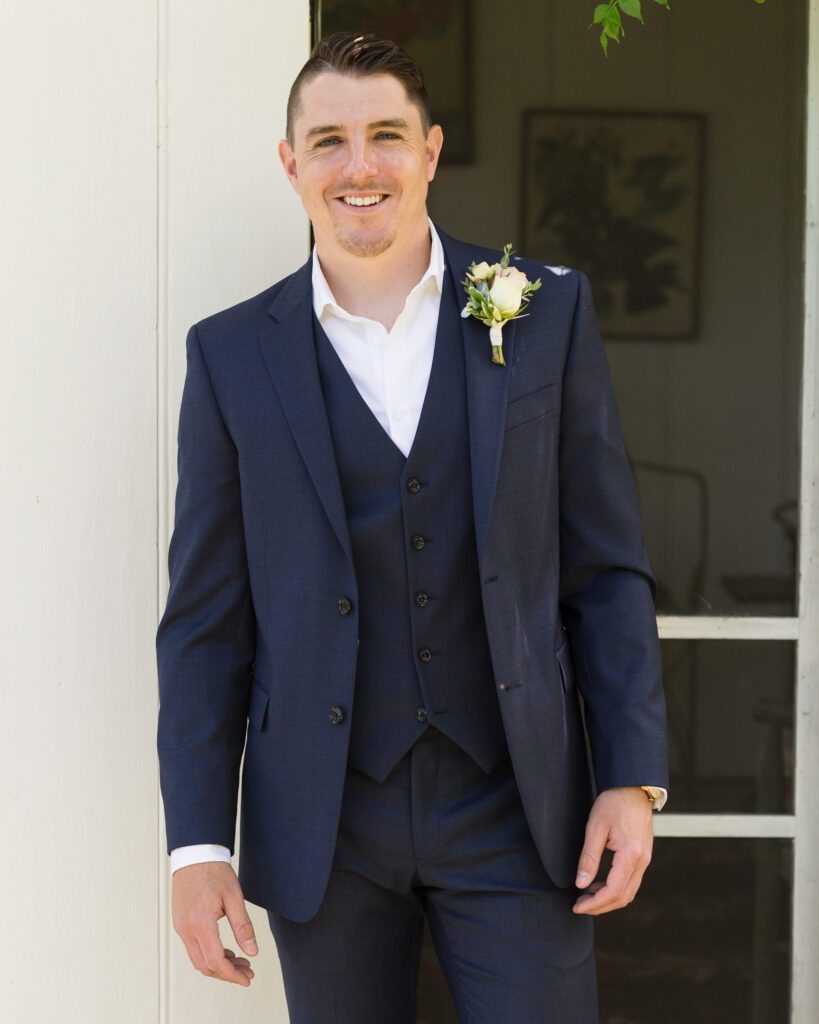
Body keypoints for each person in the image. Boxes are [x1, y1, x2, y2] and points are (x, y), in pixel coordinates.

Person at [156, 32, 668, 1023]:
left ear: (430, 150)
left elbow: (606, 568)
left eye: (386, 134)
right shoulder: (229, 356)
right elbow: (206, 624)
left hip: (518, 806)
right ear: (291, 163)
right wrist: (198, 844)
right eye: (331, 140)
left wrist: (633, 779)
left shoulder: (545, 314)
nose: (361, 165)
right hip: (324, 819)